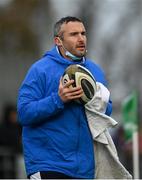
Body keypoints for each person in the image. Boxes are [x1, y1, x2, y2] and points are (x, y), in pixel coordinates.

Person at [17, 16, 112, 179]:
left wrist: (96, 101)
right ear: (58, 41)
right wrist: (58, 99)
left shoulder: (95, 71)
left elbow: (106, 113)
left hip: (85, 169)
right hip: (48, 164)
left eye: (83, 33)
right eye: (74, 34)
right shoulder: (40, 70)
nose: (81, 39)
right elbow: (24, 113)